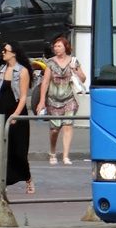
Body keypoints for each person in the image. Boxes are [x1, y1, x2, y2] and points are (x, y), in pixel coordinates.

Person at [36, 36, 86, 166]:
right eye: (55, 46)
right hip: (53, 99)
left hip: (69, 98)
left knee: (67, 125)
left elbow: (83, 78)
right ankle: (52, 152)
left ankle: (65, 156)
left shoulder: (74, 61)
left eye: (59, 46)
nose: (56, 48)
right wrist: (42, 101)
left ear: (65, 47)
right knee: (54, 129)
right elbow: (45, 82)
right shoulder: (51, 62)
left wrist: (74, 69)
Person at [0, 42, 34, 194]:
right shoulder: (2, 70)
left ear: (14, 53)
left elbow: (23, 97)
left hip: (16, 113)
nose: (2, 53)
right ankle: (3, 182)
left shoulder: (22, 72)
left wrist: (16, 114)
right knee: (1, 149)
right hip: (1, 112)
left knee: (18, 150)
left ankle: (28, 178)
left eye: (5, 50)